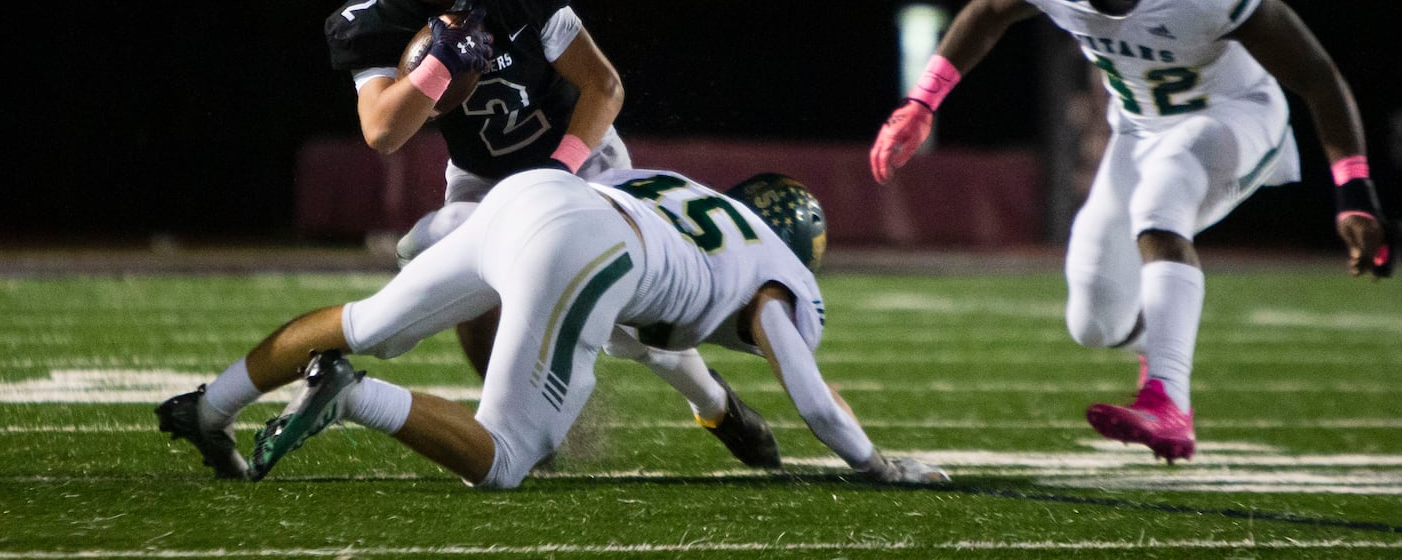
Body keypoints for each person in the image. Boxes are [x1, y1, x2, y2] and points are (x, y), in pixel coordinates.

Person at [869, 0, 1402, 463]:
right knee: (1092, 319)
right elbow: (989, 10)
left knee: (1163, 196)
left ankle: (1169, 401)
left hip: (1233, 116)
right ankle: (1158, 331)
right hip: (1140, 129)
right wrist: (922, 101)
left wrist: (1354, 191)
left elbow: (1314, 73)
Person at [316, 0, 774, 468]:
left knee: (630, 327)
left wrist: (559, 176)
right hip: (483, 177)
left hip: (578, 159)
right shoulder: (369, 20)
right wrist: (442, 63)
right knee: (466, 288)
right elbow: (382, 133)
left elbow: (604, 86)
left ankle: (715, 403)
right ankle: (504, 428)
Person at [156, 168, 951, 489]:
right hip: (585, 247)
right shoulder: (781, 277)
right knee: (504, 460)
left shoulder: (688, 200)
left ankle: (211, 405)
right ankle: (351, 398)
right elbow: (813, 399)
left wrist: (722, 416)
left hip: (527, 198)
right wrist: (877, 463)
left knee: (361, 321)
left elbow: (666, 348)